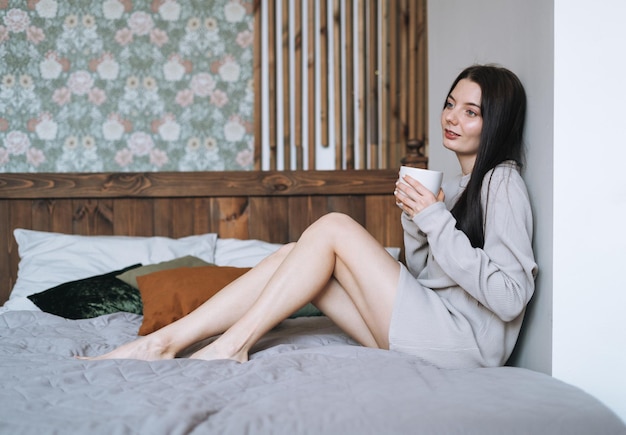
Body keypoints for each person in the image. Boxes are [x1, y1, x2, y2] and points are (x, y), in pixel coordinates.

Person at [84, 64, 537, 369]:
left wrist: (436, 219)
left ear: (495, 122)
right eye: (451, 103)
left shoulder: (503, 183)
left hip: (463, 347)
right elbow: (424, 277)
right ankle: (163, 343)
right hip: (427, 333)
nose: (452, 116)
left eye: (471, 111)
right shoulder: (459, 187)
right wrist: (417, 222)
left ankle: (232, 345)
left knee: (335, 226)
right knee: (293, 254)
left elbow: (511, 297)